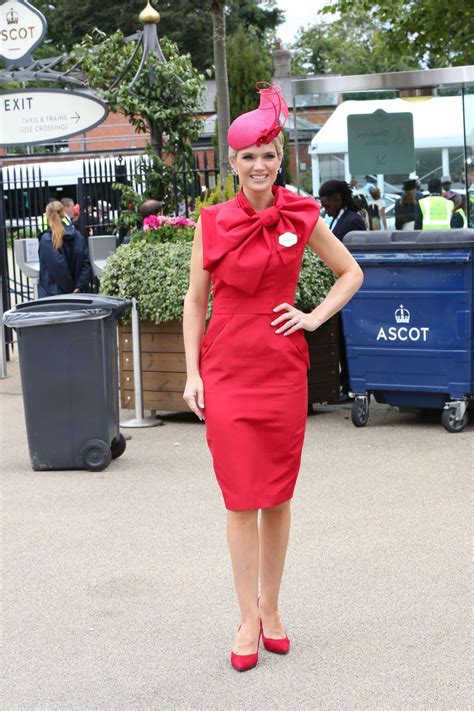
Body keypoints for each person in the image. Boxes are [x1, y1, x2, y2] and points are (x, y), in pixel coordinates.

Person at [182, 82, 363, 671]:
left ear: (279, 156)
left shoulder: (302, 215)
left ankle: (273, 607)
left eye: (268, 154)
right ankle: (245, 617)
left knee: (278, 496)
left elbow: (349, 273)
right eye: (248, 156)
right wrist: (192, 373)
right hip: (228, 367)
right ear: (232, 162)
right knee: (240, 499)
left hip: (282, 367)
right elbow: (194, 301)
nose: (259, 165)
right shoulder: (211, 223)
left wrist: (311, 316)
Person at [38, 200, 92, 297]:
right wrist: (79, 286)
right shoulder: (77, 235)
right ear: (63, 214)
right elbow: (86, 263)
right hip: (79, 295)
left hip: (53, 296)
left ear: (47, 215)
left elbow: (58, 267)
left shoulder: (46, 239)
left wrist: (70, 290)